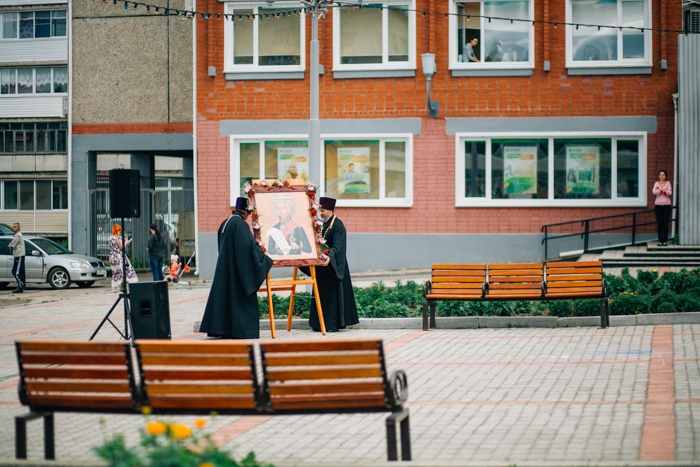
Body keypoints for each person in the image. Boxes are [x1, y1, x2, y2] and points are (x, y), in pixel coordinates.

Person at [200, 197, 273, 339]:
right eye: (248, 214)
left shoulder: (226, 222)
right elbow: (247, 249)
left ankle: (223, 330)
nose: (248, 217)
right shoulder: (240, 224)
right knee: (239, 298)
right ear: (244, 212)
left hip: (226, 268)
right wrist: (264, 259)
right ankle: (241, 331)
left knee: (225, 297)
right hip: (236, 271)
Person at [303, 197, 359, 333]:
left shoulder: (338, 226)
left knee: (332, 298)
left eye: (322, 211)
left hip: (333, 266)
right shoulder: (321, 224)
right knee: (320, 295)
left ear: (330, 210)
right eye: (320, 210)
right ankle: (318, 324)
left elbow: (338, 246)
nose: (320, 213)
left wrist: (330, 255)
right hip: (322, 267)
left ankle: (331, 325)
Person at [109, 224, 138, 291]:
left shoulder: (110, 238)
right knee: (126, 269)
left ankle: (114, 286)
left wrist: (122, 238)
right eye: (119, 231)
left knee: (116, 271)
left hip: (112, 256)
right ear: (117, 231)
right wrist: (126, 242)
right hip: (119, 256)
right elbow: (121, 246)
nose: (120, 232)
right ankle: (128, 283)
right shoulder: (117, 238)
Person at [652, 169, 673, 246]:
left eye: (663, 175)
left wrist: (660, 191)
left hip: (666, 205)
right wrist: (664, 191)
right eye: (660, 175)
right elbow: (654, 191)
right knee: (659, 223)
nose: (661, 176)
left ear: (665, 176)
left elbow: (670, 192)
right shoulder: (656, 183)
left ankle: (665, 241)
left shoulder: (668, 183)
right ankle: (660, 240)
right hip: (658, 205)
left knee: (665, 223)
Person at [8, 222, 25, 293]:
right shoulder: (16, 235)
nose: (13, 227)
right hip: (17, 255)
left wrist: (10, 245)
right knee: (20, 272)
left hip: (19, 255)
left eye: (15, 226)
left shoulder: (18, 235)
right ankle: (21, 286)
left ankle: (21, 286)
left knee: (16, 272)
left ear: (19, 228)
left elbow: (12, 245)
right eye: (13, 226)